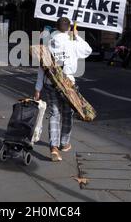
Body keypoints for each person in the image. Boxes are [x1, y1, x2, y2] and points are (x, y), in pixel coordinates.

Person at [34, 17, 92, 162]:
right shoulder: (72, 41)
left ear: (55, 26)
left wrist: (38, 88)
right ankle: (64, 142)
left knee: (54, 113)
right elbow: (88, 50)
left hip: (50, 82)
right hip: (68, 83)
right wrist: (76, 35)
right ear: (68, 28)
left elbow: (43, 66)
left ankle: (53, 147)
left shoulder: (47, 41)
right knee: (67, 113)